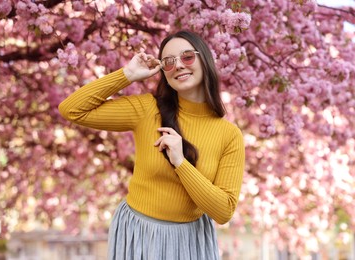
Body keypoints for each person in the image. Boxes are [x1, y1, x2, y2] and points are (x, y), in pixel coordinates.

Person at [58, 30, 245, 260]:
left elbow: (223, 211)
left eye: (187, 57)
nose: (178, 66)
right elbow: (72, 109)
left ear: (204, 60)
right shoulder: (147, 109)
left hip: (190, 243)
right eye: (168, 62)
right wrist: (127, 74)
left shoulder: (229, 135)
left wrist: (181, 163)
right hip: (138, 234)